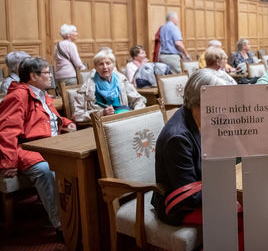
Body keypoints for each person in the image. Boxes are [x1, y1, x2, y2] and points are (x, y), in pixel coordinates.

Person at [0, 57, 77, 236]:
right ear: (33, 76)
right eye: (46, 72)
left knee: (78, 163)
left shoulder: (42, 93)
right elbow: (7, 131)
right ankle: (60, 225)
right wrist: (9, 162)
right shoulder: (19, 95)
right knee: (46, 170)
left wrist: (66, 122)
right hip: (29, 148)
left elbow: (49, 116)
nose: (51, 76)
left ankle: (75, 214)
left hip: (51, 144)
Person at [151, 69, 233, 226]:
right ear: (202, 99)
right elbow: (189, 196)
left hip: (206, 187)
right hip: (180, 208)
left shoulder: (205, 117)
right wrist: (228, 190)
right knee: (243, 219)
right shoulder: (178, 138)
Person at [72, 50, 146, 122]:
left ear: (113, 65)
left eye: (108, 63)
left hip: (124, 120)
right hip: (100, 125)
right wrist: (101, 114)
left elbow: (138, 99)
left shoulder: (121, 80)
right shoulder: (87, 87)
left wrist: (135, 114)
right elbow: (77, 115)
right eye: (101, 64)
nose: (105, 67)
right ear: (95, 67)